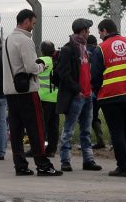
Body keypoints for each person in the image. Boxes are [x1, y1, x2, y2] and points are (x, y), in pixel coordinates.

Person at [2, 9, 62, 176]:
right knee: (36, 127)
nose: (33, 27)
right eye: (33, 24)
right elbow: (31, 67)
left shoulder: (8, 39)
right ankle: (42, 164)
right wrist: (41, 66)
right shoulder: (25, 41)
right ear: (27, 21)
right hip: (27, 91)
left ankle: (20, 164)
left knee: (16, 129)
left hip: (11, 90)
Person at [91, 19, 126, 177]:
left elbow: (95, 76)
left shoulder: (101, 49)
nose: (99, 36)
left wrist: (98, 91)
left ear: (104, 31)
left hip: (111, 95)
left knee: (116, 130)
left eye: (100, 32)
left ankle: (123, 167)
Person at [57, 18, 102, 172]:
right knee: (68, 129)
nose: (89, 33)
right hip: (77, 96)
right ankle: (65, 160)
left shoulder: (85, 49)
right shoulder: (68, 49)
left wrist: (90, 88)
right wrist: (77, 90)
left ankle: (88, 160)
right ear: (82, 31)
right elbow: (63, 73)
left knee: (86, 129)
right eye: (88, 30)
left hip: (88, 95)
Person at [37, 41, 59, 158]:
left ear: (42, 50)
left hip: (43, 97)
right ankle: (51, 150)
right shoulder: (56, 61)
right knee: (53, 126)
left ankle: (38, 148)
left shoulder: (41, 60)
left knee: (40, 125)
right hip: (55, 97)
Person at [87, 35, 106, 149]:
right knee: (110, 117)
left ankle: (97, 140)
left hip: (92, 89)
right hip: (105, 89)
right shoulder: (101, 51)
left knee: (91, 116)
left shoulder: (85, 53)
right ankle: (113, 142)